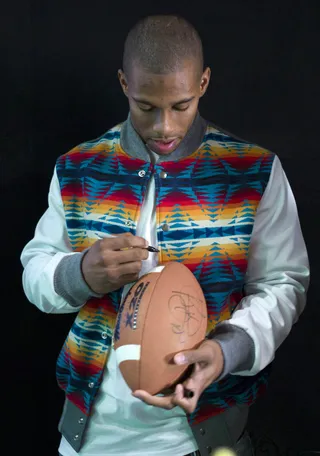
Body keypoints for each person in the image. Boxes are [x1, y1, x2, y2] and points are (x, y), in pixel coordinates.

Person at [20, 14, 310, 456]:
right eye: (146, 107)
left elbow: (283, 284)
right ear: (123, 84)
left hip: (204, 438)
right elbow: (34, 272)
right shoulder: (77, 169)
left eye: (180, 106)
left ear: (204, 83)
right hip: (86, 441)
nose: (165, 128)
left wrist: (227, 350)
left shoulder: (252, 172)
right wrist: (78, 273)